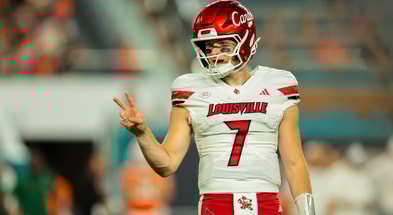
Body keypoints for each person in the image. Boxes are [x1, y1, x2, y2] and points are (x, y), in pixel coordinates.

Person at [113, 1, 315, 214]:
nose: (214, 55)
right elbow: (167, 164)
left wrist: (308, 211)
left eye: (223, 46)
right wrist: (142, 133)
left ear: (246, 42)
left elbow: (294, 164)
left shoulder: (278, 85)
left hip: (266, 203)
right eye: (209, 47)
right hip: (216, 204)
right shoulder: (190, 89)